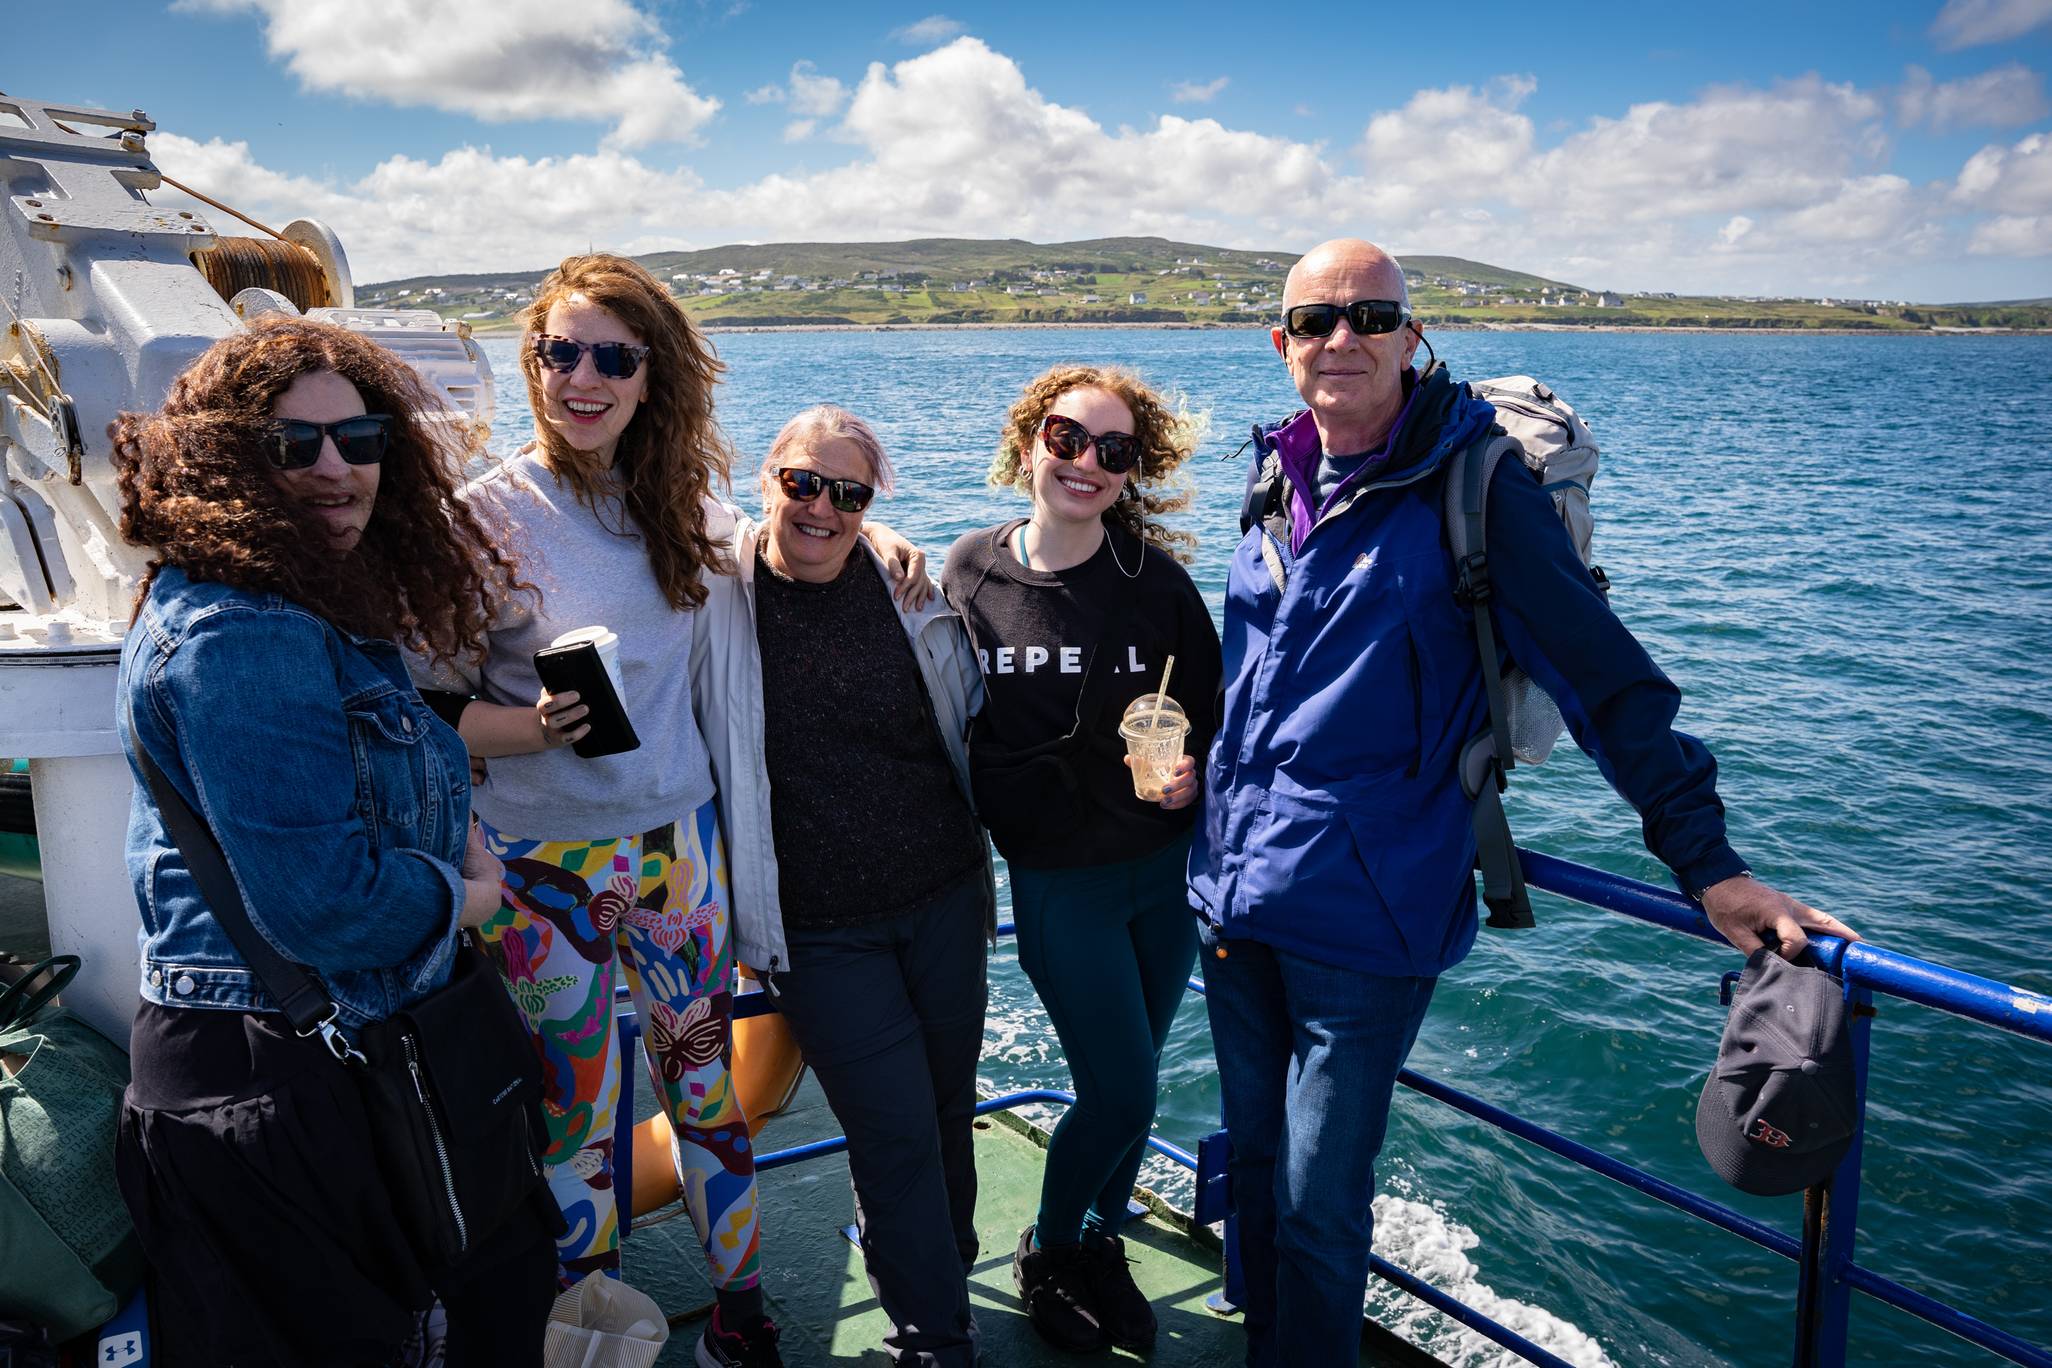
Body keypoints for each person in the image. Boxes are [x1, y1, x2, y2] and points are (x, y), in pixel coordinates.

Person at [1189, 238, 1863, 1367]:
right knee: (1254, 1167)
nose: (1340, 338)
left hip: (1367, 916)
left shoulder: (1479, 488)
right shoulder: (1276, 480)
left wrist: (1710, 866)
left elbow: (1608, 683)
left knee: (1315, 1201)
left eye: (1369, 316)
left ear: (1413, 337)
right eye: (1314, 321)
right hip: (1233, 898)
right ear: (1281, 345)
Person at [109, 316, 559, 1366]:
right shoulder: (245, 634)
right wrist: (467, 896)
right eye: (291, 444)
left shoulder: (280, 606)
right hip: (279, 1077)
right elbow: (328, 906)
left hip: (302, 1061)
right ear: (223, 461)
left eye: (359, 441)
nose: (333, 468)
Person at [689, 405, 993, 1368]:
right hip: (818, 929)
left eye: (851, 494)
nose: (822, 508)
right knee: (895, 1129)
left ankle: (945, 1267)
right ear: (766, 481)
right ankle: (936, 1333)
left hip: (944, 895)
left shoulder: (908, 585)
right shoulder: (716, 595)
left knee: (947, 1109)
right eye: (804, 484)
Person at [942, 365, 1222, 1354]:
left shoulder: (1159, 585)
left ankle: (1098, 1240)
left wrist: (1194, 774)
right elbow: (932, 713)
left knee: (1132, 1074)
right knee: (1123, 1090)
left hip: (1164, 871)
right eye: (1068, 438)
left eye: (1115, 450)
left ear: (1130, 470)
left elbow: (1214, 721)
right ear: (1030, 442)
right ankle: (1050, 1246)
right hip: (1063, 884)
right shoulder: (968, 572)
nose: (1087, 464)